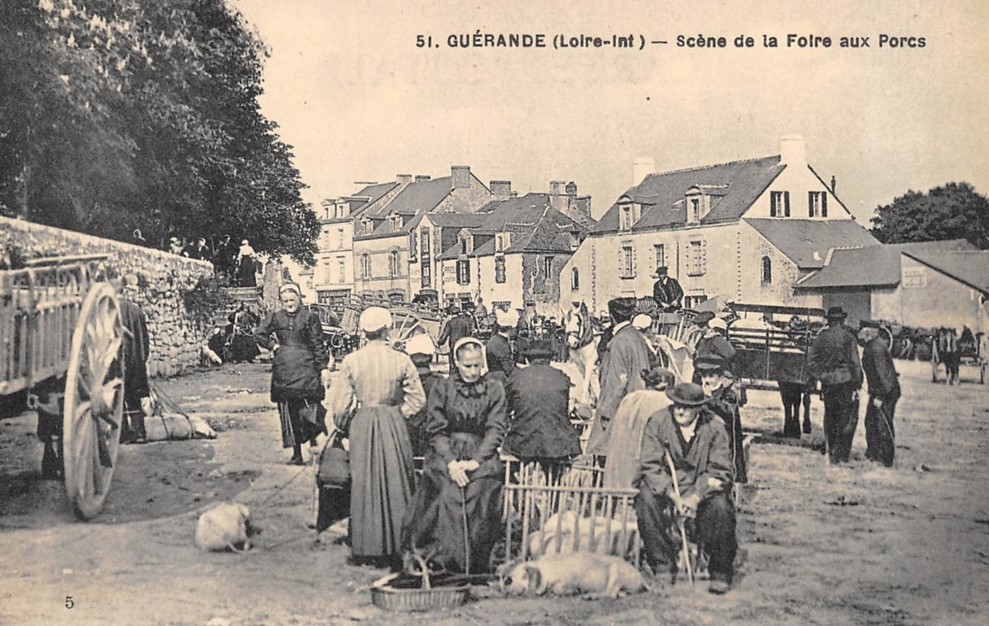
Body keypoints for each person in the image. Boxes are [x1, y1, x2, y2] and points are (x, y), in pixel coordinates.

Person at [327, 307, 426, 567]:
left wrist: (346, 423)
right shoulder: (401, 360)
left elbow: (340, 406)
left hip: (362, 422)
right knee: (397, 481)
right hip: (392, 421)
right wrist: (398, 414)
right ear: (387, 330)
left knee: (363, 483)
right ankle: (398, 545)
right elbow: (418, 399)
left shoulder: (351, 361)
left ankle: (365, 547)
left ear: (364, 331)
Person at [402, 337, 507, 574]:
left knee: (481, 489)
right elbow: (436, 430)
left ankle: (475, 564)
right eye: (467, 365)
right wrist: (452, 463)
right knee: (447, 492)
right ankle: (442, 562)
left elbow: (495, 428)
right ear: (456, 363)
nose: (472, 371)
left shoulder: (494, 389)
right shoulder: (443, 387)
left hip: (481, 454)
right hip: (446, 452)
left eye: (477, 366)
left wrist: (475, 461)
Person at [635, 382, 737, 594]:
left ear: (699, 407)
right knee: (645, 497)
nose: (680, 410)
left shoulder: (715, 427)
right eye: (677, 405)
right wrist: (673, 495)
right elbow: (650, 465)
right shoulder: (658, 421)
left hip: (702, 488)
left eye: (687, 407)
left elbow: (719, 471)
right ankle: (662, 565)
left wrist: (695, 497)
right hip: (668, 486)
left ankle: (719, 570)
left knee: (722, 505)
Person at [255, 283, 331, 465]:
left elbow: (318, 344)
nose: (289, 304)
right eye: (286, 301)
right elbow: (259, 334)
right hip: (285, 370)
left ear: (299, 299)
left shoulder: (310, 317)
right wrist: (273, 346)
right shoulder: (275, 317)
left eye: (292, 300)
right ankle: (297, 453)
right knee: (289, 412)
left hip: (307, 368)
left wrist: (323, 368)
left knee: (310, 405)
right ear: (281, 302)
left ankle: (313, 437)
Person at [587, 298, 652, 456]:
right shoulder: (637, 337)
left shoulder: (618, 342)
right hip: (638, 405)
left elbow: (617, 382)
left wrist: (606, 412)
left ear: (611, 317)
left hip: (620, 410)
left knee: (603, 453)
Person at [502, 339, 581, 465]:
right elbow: (563, 409)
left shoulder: (517, 377)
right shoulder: (561, 377)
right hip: (557, 444)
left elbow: (504, 409)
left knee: (506, 465)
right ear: (549, 360)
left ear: (528, 359)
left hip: (523, 443)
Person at [806, 307, 864, 464]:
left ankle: (832, 452)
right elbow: (855, 363)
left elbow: (811, 362)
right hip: (846, 383)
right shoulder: (848, 337)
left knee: (830, 415)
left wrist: (820, 376)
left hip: (828, 383)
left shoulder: (821, 338)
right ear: (842, 320)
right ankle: (842, 455)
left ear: (829, 321)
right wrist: (858, 383)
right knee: (845, 417)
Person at [602, 366, 675, 489]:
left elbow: (606, 416)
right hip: (646, 469)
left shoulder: (630, 398)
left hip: (620, 465)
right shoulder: (664, 402)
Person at [696, 357, 747, 484]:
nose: (707, 380)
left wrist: (708, 399)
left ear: (720, 377)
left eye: (711, 376)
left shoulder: (728, 393)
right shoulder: (700, 392)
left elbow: (728, 410)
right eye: (704, 376)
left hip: (726, 440)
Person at [860, 325, 900, 467]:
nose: (859, 335)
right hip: (879, 391)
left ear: (868, 333)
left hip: (886, 392)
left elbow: (884, 375)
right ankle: (873, 454)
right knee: (870, 422)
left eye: (862, 332)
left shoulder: (876, 349)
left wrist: (880, 397)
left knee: (882, 424)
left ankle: (886, 459)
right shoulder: (873, 346)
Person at [406, 333, 443, 459]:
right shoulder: (440, 383)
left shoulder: (402, 384)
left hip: (407, 444)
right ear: (431, 357)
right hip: (432, 445)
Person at [693, 314, 736, 382]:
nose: (700, 329)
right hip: (708, 373)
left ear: (712, 329)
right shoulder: (711, 340)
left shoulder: (711, 340)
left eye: (703, 327)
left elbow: (730, 354)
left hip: (706, 373)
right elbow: (731, 353)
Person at [437, 302, 477, 371]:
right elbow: (468, 334)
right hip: (462, 345)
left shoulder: (450, 323)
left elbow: (445, 335)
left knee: (453, 364)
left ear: (452, 314)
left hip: (453, 346)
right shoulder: (464, 322)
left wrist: (439, 343)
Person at [485, 308, 518, 385]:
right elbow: (508, 368)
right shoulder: (502, 344)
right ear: (510, 329)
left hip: (493, 378)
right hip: (501, 381)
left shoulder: (493, 340)